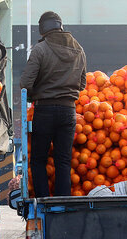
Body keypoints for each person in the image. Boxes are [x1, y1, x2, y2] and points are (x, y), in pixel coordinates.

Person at [20, 11, 87, 197]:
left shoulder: (40, 50)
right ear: (61, 26)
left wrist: (37, 94)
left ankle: (43, 203)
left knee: (39, 160)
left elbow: (25, 83)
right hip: (69, 111)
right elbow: (82, 84)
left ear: (42, 30)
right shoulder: (78, 49)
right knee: (63, 160)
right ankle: (62, 203)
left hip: (45, 110)